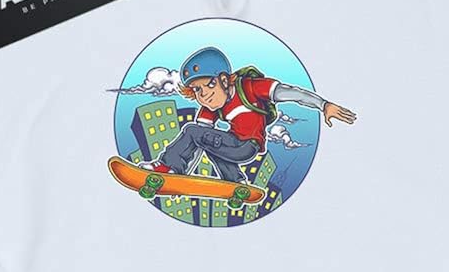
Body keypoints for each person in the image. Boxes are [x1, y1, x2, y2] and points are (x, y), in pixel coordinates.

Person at [144, 45, 356, 182]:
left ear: (224, 80)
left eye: (209, 85)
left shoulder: (251, 87)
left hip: (247, 146)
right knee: (207, 141)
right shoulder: (210, 108)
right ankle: (236, 182)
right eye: (197, 90)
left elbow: (292, 94)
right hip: (233, 145)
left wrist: (323, 105)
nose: (204, 95)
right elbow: (196, 144)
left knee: (192, 131)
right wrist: (181, 177)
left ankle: (166, 165)